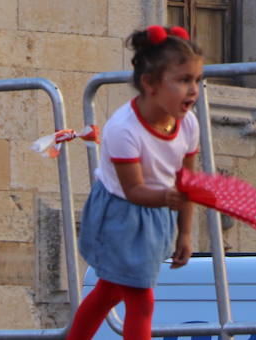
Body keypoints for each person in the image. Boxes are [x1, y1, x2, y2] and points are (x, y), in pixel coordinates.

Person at [65, 25, 203, 340]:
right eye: (183, 80)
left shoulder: (189, 124)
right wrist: (170, 199)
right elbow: (134, 190)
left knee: (109, 291)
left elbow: (187, 181)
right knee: (141, 300)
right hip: (118, 213)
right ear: (150, 84)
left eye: (197, 80)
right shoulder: (123, 129)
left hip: (157, 212)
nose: (194, 90)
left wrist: (185, 233)